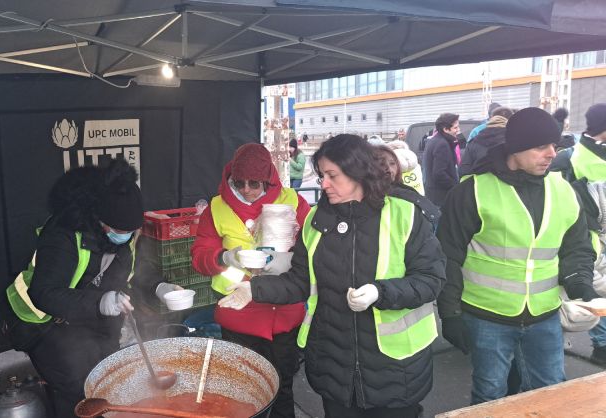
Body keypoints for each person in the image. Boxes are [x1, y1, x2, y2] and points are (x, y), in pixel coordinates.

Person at [218, 135, 446, 418]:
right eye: (322, 175)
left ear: (358, 172)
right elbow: (299, 280)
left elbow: (431, 279)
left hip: (395, 369)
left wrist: (380, 292)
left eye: (331, 175)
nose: (323, 184)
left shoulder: (405, 214)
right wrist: (254, 290)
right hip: (334, 366)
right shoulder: (315, 221)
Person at [437, 107, 602, 405]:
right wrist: (450, 314)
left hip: (545, 314)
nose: (551, 153)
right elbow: (447, 256)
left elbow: (577, 248)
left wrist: (581, 287)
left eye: (554, 145)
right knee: (490, 393)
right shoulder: (472, 191)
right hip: (486, 316)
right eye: (541, 146)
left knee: (551, 390)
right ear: (515, 147)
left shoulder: (564, 190)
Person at [2, 159, 180, 417]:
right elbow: (44, 293)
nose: (127, 236)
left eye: (132, 231)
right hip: (41, 322)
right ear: (99, 220)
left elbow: (133, 268)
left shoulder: (125, 234)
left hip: (85, 317)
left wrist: (159, 286)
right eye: (120, 230)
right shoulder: (63, 233)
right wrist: (100, 302)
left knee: (108, 374)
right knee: (77, 387)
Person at [191, 143, 311, 418]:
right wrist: (225, 257)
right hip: (238, 315)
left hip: (282, 313)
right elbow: (199, 256)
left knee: (282, 388)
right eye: (239, 182)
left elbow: (314, 249)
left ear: (268, 179)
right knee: (242, 392)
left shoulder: (292, 201)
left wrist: (286, 256)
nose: (246, 189)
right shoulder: (217, 207)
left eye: (254, 183)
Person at [550, 102, 606, 365]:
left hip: (596, 240)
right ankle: (600, 345)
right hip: (584, 242)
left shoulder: (573, 155)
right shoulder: (569, 157)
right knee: (586, 294)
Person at [459, 106, 515, 177]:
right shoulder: (516, 141)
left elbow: (464, 170)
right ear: (512, 120)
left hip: (480, 186)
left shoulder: (475, 139)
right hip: (510, 186)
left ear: (491, 119)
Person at [423, 113, 460, 206]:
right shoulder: (442, 144)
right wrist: (455, 186)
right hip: (441, 196)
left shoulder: (435, 140)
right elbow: (439, 173)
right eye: (455, 128)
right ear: (445, 129)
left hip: (435, 195)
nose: (458, 130)